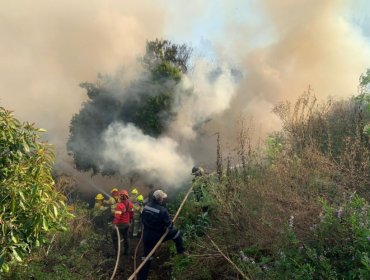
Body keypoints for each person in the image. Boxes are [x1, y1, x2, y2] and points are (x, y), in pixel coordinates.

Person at [137, 190, 185, 280]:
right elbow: (170, 226)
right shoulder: (162, 210)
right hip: (157, 236)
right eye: (162, 198)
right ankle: (181, 251)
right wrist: (170, 223)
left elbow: (142, 219)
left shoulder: (146, 207)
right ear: (159, 199)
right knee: (176, 232)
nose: (163, 199)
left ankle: (141, 278)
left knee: (146, 258)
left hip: (147, 236)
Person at [111, 189, 134, 256]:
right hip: (127, 224)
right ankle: (127, 251)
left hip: (120, 224)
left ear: (120, 197)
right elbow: (132, 213)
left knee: (115, 237)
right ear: (127, 196)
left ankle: (116, 252)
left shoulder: (119, 205)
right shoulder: (130, 204)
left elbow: (117, 217)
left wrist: (114, 224)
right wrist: (129, 220)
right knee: (126, 237)